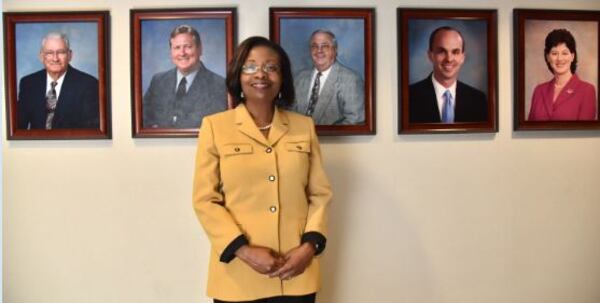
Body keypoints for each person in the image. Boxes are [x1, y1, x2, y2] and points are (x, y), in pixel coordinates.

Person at [193, 36, 332, 303]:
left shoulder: (304, 127)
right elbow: (204, 200)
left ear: (282, 78)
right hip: (237, 276)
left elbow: (320, 195)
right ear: (238, 75)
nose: (261, 74)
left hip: (296, 274)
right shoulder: (215, 127)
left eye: (271, 67)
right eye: (250, 66)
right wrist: (243, 250)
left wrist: (309, 248)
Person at [143, 25, 227, 128]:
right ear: (171, 52)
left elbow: (219, 126)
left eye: (188, 47)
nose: (182, 53)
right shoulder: (158, 81)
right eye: (177, 48)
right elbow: (144, 119)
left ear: (200, 49)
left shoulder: (218, 85)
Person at [17, 32, 99, 129]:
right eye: (49, 53)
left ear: (70, 55)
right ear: (42, 56)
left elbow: (91, 131)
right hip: (37, 144)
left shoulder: (88, 84)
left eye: (61, 52)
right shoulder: (28, 83)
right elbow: (18, 128)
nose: (55, 58)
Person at [409, 26, 488, 123]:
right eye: (442, 51)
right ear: (430, 55)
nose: (449, 59)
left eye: (455, 52)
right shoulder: (409, 97)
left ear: (462, 57)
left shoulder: (478, 99)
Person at [292, 29, 364, 125]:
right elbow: (289, 114)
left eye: (325, 46)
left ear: (335, 50)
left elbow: (355, 120)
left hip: (333, 139)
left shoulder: (351, 80)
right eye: (314, 46)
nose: (319, 50)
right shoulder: (299, 78)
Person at [528, 28, 597, 121]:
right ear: (548, 57)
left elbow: (583, 133)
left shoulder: (587, 90)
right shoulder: (539, 91)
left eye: (565, 53)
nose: (559, 59)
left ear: (572, 56)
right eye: (554, 53)